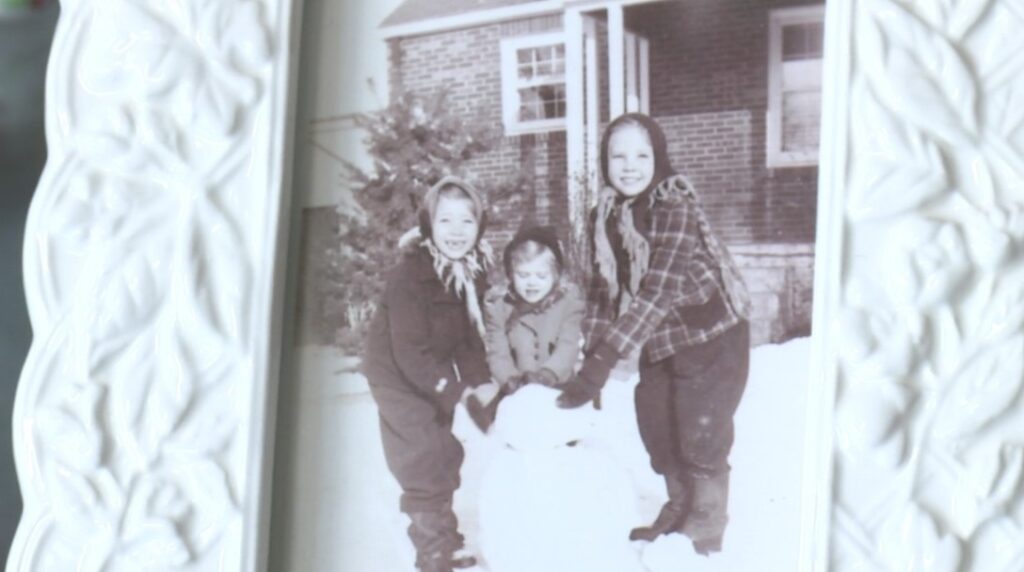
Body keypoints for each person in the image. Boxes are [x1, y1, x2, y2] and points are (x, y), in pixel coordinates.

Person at [556, 113, 752, 555]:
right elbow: (603, 291)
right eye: (618, 156)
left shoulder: (673, 205)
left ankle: (706, 520)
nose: (630, 166)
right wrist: (592, 360)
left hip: (710, 332)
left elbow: (659, 290)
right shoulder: (605, 215)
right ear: (604, 161)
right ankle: (680, 506)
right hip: (661, 335)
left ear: (658, 158)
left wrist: (606, 359)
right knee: (656, 423)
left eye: (641, 155)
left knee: (699, 430)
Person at [363, 176, 493, 572]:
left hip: (431, 372)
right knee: (421, 456)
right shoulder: (410, 276)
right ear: (428, 226)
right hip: (397, 377)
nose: (456, 231)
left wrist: (482, 384)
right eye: (445, 220)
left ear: (479, 226)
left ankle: (444, 534)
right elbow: (408, 350)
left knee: (445, 450)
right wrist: (454, 390)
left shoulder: (468, 272)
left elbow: (469, 341)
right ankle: (432, 551)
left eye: (467, 221)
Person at [465, 224, 585, 431]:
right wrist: (509, 380)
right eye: (523, 275)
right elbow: (497, 351)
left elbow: (568, 345)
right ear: (510, 275)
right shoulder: (499, 306)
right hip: (515, 392)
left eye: (541, 276)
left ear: (555, 275)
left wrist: (547, 375)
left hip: (558, 387)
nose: (532, 283)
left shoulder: (568, 302)